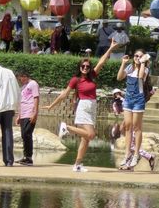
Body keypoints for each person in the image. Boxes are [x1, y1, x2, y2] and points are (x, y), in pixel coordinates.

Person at [44, 39, 118, 172]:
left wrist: (110, 48)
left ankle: (77, 165)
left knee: (86, 139)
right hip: (83, 106)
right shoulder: (75, 80)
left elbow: (101, 61)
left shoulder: (92, 76)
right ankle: (67, 128)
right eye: (83, 66)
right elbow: (64, 94)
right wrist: (51, 105)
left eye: (87, 67)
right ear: (79, 67)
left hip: (92, 107)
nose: (85, 68)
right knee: (91, 135)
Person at [117, 49, 151, 170]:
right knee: (127, 126)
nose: (137, 57)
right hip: (128, 99)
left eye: (140, 56)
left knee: (137, 127)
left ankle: (136, 154)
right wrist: (123, 63)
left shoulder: (145, 69)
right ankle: (127, 154)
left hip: (138, 100)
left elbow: (141, 76)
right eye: (136, 55)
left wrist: (143, 62)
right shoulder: (130, 68)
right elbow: (119, 77)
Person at [0, 55, 20, 166]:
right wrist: (15, 106)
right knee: (7, 133)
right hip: (8, 107)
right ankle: (8, 161)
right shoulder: (9, 72)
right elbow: (17, 90)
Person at [15, 69, 39, 166]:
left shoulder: (33, 84)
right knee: (23, 135)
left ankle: (29, 158)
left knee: (27, 134)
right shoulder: (24, 87)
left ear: (25, 76)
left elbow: (36, 98)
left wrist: (35, 113)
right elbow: (22, 101)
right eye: (19, 78)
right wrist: (19, 115)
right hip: (23, 114)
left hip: (30, 113)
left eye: (21, 77)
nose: (20, 80)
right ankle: (25, 157)